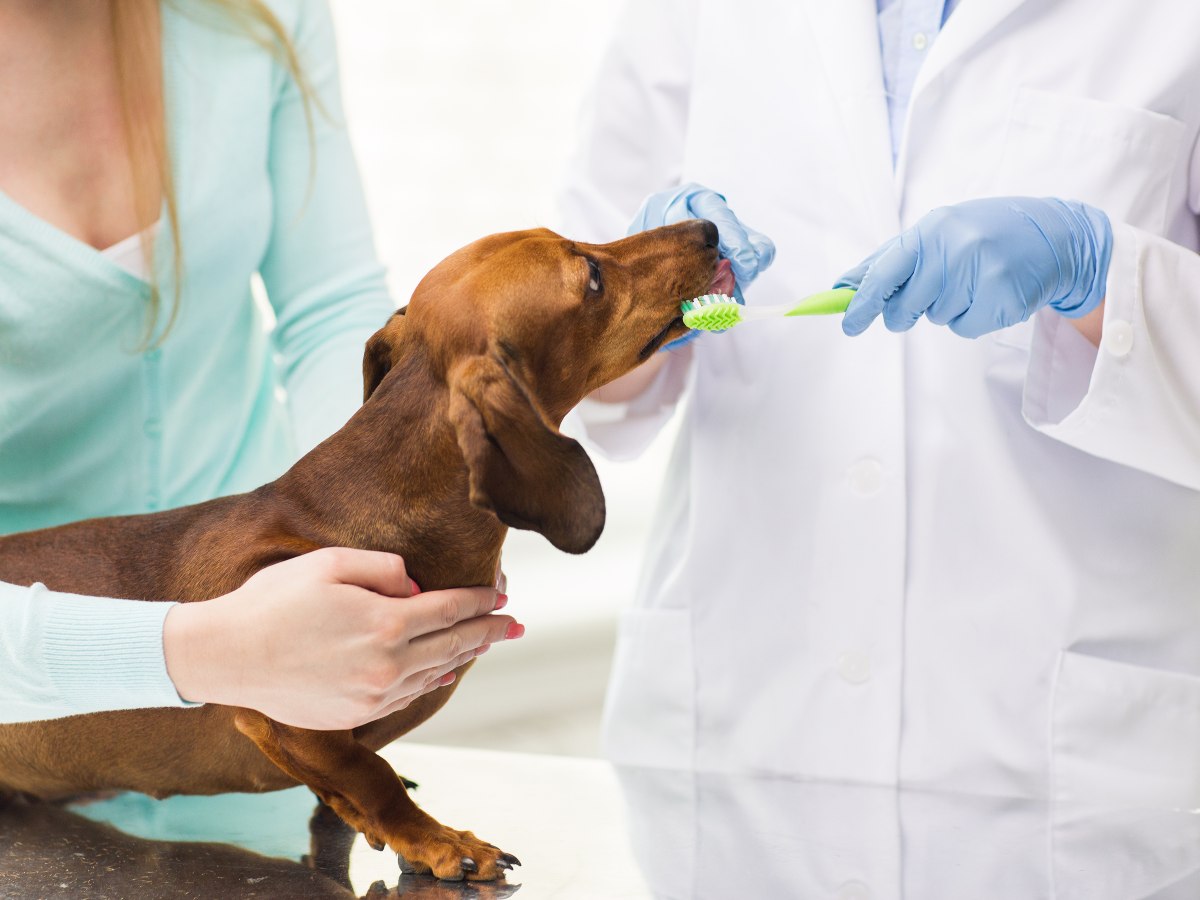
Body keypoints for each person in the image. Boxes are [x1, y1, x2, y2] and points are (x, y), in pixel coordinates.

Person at [559, 0, 1200, 804]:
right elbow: (567, 364)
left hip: (1062, 761)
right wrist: (629, 300)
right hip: (742, 730)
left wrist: (1097, 275)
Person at [0, 0, 520, 728]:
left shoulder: (258, 14)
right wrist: (206, 650)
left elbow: (327, 308)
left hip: (276, 704)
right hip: (29, 736)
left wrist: (373, 532)